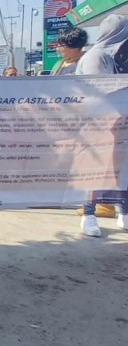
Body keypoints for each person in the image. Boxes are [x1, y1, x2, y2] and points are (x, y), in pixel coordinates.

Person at [74, 15, 128, 237]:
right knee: (94, 172)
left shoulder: (119, 56)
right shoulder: (95, 57)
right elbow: (101, 91)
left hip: (119, 123)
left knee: (121, 170)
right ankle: (89, 215)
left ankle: (123, 212)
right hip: (95, 124)